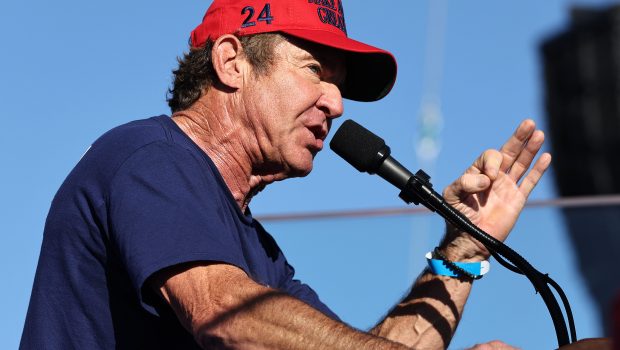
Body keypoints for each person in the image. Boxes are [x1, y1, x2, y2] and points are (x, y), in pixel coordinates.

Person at [20, 1, 552, 349]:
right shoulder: (150, 157)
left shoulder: (259, 253)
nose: (337, 103)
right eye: (316, 71)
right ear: (232, 63)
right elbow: (224, 312)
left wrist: (464, 248)